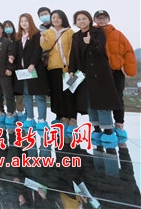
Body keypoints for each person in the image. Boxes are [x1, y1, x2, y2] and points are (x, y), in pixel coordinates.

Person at [69, 10, 122, 147]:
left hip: (99, 72)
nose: (81, 21)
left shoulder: (98, 32)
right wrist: (71, 70)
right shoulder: (75, 36)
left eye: (84, 18)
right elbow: (73, 54)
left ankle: (108, 130)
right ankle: (96, 128)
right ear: (76, 22)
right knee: (90, 101)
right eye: (78, 19)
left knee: (102, 101)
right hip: (84, 73)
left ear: (89, 20)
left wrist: (91, 41)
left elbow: (101, 49)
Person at [93, 10, 137, 139]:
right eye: (98, 18)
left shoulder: (118, 34)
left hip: (115, 72)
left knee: (118, 98)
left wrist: (129, 69)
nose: (101, 20)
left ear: (109, 19)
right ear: (94, 20)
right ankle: (102, 126)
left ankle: (119, 125)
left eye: (104, 17)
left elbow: (128, 51)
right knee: (100, 99)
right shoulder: (92, 33)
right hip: (99, 72)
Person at [40, 10, 75, 131]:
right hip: (54, 68)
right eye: (53, 17)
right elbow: (46, 48)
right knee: (57, 93)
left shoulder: (70, 32)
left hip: (68, 69)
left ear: (63, 19)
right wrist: (43, 41)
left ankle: (72, 118)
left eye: (58, 17)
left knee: (70, 93)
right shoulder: (48, 32)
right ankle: (62, 117)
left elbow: (73, 49)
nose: (56, 19)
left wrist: (72, 66)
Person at [13, 13, 50, 130]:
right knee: (27, 95)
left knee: (39, 96)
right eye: (21, 21)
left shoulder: (37, 34)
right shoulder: (18, 36)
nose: (23, 23)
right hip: (23, 71)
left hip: (35, 69)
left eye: (26, 21)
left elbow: (37, 50)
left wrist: (32, 63)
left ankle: (42, 119)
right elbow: (16, 52)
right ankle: (29, 117)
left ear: (30, 22)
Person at [4, 19, 24, 121]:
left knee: (19, 90)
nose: (8, 28)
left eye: (10, 26)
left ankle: (20, 111)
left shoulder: (18, 37)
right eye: (6, 27)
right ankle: (12, 110)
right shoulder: (2, 39)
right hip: (6, 68)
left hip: (18, 67)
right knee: (9, 90)